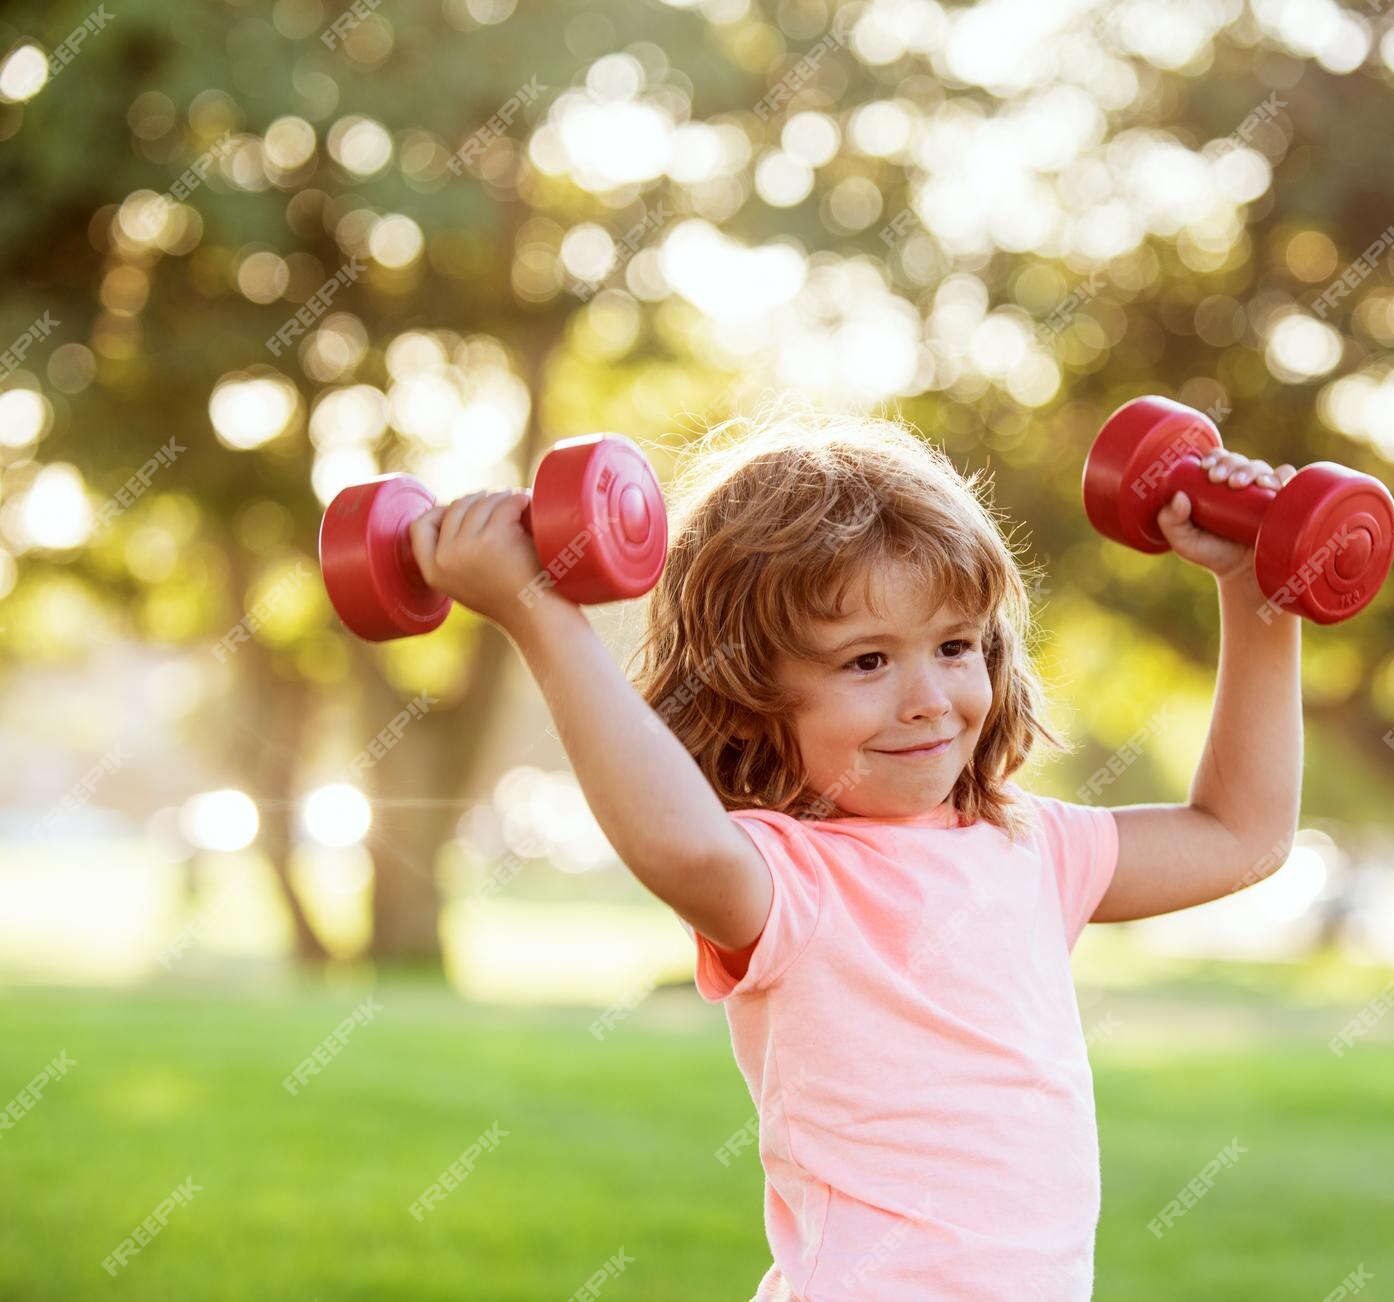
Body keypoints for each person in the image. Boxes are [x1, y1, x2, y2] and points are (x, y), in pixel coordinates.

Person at [407, 408, 1304, 1300]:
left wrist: (1259, 591)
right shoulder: (792, 878)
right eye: (867, 662)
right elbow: (680, 846)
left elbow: (1243, 833)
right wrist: (540, 613)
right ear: (751, 691)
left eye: (955, 647)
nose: (928, 700)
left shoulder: (1031, 847)